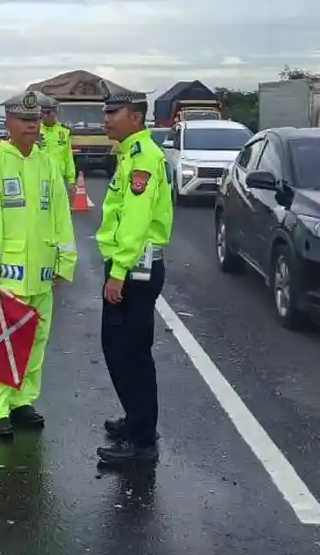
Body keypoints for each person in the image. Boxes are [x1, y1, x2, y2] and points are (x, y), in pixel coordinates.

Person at [0, 89, 77, 438]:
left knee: (35, 341)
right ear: (9, 123)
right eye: (25, 120)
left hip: (42, 272)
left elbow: (61, 215)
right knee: (3, 342)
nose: (32, 126)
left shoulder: (47, 163)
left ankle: (21, 402)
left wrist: (65, 259)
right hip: (7, 275)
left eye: (35, 120)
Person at [95, 87, 173, 464]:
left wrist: (119, 272)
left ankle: (142, 442)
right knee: (119, 348)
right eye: (106, 112)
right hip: (130, 267)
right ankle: (136, 420)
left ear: (137, 118)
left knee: (131, 353)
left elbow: (136, 223)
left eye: (115, 112)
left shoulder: (143, 159)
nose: (106, 118)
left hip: (135, 270)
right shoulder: (129, 154)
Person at [38, 94, 77, 199]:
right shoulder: (35, 131)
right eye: (43, 112)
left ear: (55, 112)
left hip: (59, 179)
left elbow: (68, 157)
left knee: (59, 211)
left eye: (48, 112)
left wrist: (71, 180)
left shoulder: (64, 132)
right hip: (39, 178)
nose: (45, 116)